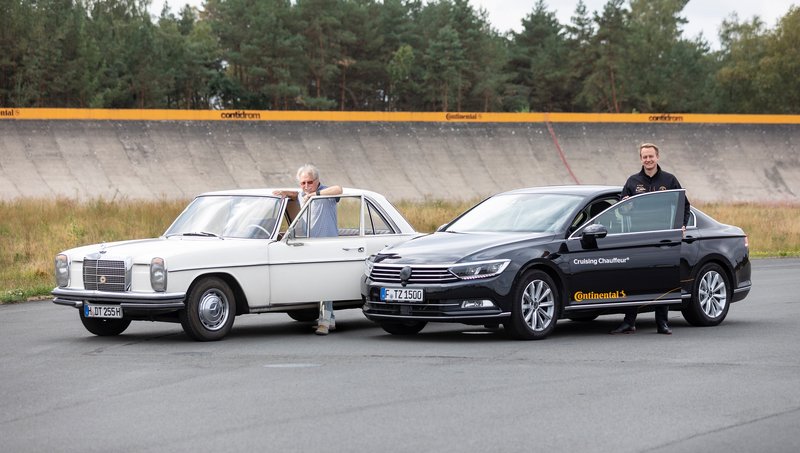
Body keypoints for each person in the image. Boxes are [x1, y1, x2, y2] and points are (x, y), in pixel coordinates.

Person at [610, 143, 690, 336]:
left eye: (651, 156)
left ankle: (662, 323)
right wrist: (625, 206)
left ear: (657, 157)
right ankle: (629, 322)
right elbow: (621, 208)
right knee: (633, 279)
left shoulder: (670, 180)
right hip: (637, 238)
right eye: (644, 157)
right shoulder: (632, 181)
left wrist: (682, 225)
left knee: (662, 279)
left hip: (663, 237)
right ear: (641, 159)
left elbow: (685, 205)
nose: (648, 160)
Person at [274, 164, 343, 335]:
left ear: (317, 181)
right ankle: (330, 319)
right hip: (311, 246)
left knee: (325, 284)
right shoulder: (301, 194)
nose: (306, 187)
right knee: (318, 283)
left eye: (309, 182)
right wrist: (284, 193)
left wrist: (315, 194)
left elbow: (339, 189)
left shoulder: (325, 193)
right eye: (302, 183)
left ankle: (325, 322)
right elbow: (295, 194)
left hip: (328, 245)